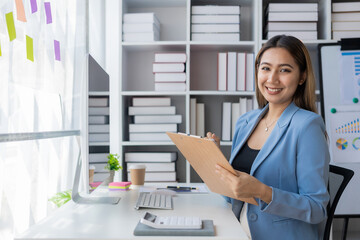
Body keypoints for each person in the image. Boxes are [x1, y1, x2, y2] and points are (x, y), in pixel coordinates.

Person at [206, 35, 330, 240]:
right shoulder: (245, 122)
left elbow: (316, 209)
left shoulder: (307, 126)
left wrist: (264, 192)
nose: (272, 79)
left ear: (301, 77)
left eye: (284, 70)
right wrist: (215, 160)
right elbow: (233, 197)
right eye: (265, 68)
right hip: (237, 229)